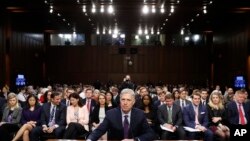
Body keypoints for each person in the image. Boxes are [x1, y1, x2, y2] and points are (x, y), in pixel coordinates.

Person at [87, 88, 155, 141]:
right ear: (120, 100)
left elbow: (150, 133)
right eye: (123, 99)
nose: (125, 103)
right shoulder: (111, 114)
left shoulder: (140, 114)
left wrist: (135, 140)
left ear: (133, 102)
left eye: (128, 100)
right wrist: (89, 139)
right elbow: (99, 130)